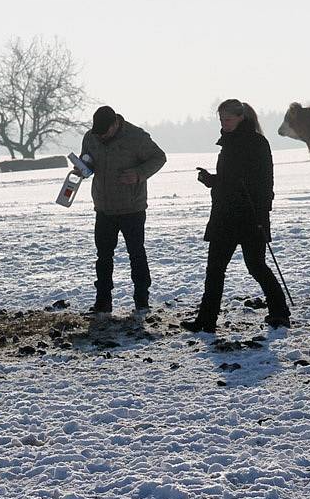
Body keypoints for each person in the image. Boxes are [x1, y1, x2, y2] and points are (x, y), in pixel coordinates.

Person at [181, 99, 290, 334]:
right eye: (221, 119)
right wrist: (212, 180)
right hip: (226, 215)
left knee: (255, 266)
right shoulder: (230, 143)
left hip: (249, 216)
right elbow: (229, 179)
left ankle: (280, 311)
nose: (224, 123)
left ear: (241, 117)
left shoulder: (256, 143)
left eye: (227, 119)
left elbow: (263, 182)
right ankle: (206, 321)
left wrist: (262, 213)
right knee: (215, 269)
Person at [80, 105, 167, 314]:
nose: (101, 137)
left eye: (105, 133)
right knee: (103, 256)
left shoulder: (136, 137)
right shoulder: (91, 137)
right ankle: (103, 301)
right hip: (103, 208)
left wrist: (139, 174)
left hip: (132, 208)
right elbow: (87, 159)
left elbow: (159, 157)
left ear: (115, 124)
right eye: (97, 134)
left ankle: (141, 299)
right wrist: (83, 169)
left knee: (136, 253)